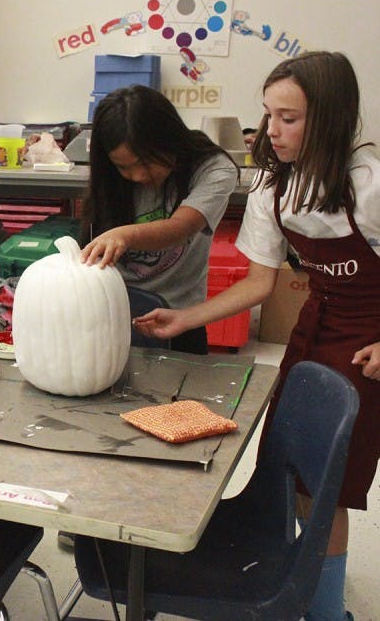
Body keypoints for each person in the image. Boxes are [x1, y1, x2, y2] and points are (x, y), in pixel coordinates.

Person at [134, 51, 379, 621]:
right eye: (269, 114)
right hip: (316, 327)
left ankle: (324, 612)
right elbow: (260, 282)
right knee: (290, 466)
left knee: (328, 487)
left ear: (332, 118)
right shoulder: (274, 182)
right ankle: (298, 579)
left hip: (368, 338)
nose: (272, 130)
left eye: (289, 118)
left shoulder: (368, 182)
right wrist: (185, 318)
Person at [80, 84, 239, 354]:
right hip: (110, 313)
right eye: (123, 167)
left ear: (169, 139)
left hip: (178, 319)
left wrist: (125, 235)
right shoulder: (110, 179)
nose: (139, 176)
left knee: (182, 396)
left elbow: (181, 228)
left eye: (146, 162)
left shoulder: (213, 169)